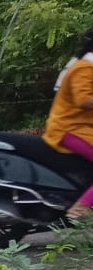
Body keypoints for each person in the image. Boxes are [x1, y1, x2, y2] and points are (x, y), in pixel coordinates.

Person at [44, 26, 93, 220]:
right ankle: (78, 209)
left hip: (84, 129)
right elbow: (84, 99)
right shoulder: (84, 67)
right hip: (69, 130)